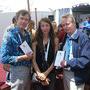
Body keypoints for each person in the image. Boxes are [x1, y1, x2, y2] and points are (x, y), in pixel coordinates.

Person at [0, 10, 33, 90]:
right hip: (17, 70)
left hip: (28, 70)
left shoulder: (27, 34)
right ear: (16, 19)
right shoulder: (9, 35)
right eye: (21, 18)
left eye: (26, 19)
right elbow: (3, 58)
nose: (24, 21)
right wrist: (22, 57)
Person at [59, 14, 90, 90]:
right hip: (65, 73)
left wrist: (68, 63)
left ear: (74, 23)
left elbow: (86, 59)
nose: (65, 27)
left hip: (77, 76)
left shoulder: (83, 38)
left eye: (67, 24)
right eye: (63, 25)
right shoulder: (66, 37)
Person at [32, 18, 58, 90]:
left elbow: (56, 59)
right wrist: (40, 74)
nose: (45, 28)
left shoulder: (55, 40)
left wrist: (45, 73)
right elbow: (33, 60)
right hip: (38, 72)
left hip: (51, 71)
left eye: (47, 25)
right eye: (42, 26)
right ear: (40, 28)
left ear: (50, 26)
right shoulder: (35, 41)